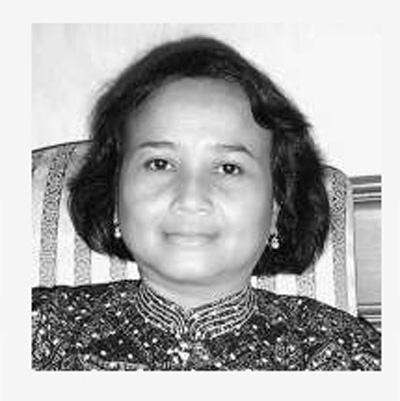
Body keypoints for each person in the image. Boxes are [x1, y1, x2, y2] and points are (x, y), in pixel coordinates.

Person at [32, 35, 380, 371]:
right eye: (160, 163)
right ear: (115, 196)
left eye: (228, 168)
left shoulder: (349, 356)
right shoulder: (37, 331)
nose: (191, 198)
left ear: (277, 204)